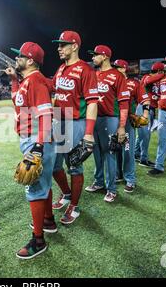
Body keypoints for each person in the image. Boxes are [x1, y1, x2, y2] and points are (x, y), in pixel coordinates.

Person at [5, 42, 56, 259]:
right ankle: (48, 221)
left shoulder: (35, 81)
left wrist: (38, 146)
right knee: (43, 183)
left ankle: (38, 240)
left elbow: (46, 115)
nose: (16, 59)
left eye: (20, 57)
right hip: (31, 137)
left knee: (34, 187)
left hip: (37, 138)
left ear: (31, 61)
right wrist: (14, 81)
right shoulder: (26, 81)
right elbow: (18, 101)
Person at [50, 31, 99, 224]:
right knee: (54, 166)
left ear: (75, 46)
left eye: (63, 45)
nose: (59, 48)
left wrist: (88, 133)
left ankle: (74, 206)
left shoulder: (85, 70)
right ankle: (67, 193)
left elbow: (93, 103)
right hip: (59, 121)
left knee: (74, 166)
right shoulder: (61, 69)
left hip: (76, 121)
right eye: (59, 45)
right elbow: (53, 91)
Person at [85, 45, 130, 203]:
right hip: (94, 119)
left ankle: (112, 189)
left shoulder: (117, 76)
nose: (93, 58)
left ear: (104, 56)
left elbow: (124, 104)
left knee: (109, 154)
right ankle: (98, 182)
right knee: (96, 153)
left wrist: (122, 126)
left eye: (95, 55)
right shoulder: (93, 74)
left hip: (110, 119)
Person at [113, 59, 150, 193]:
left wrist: (145, 114)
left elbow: (145, 99)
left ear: (123, 69)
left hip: (127, 121)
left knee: (128, 150)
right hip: (112, 120)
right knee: (115, 148)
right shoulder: (111, 82)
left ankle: (130, 179)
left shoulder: (133, 84)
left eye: (117, 67)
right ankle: (118, 174)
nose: (114, 69)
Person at [135, 62, 166, 166]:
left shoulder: (158, 81)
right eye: (161, 72)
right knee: (145, 135)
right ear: (159, 71)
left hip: (151, 109)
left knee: (142, 135)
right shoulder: (146, 77)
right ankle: (143, 160)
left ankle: (136, 154)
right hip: (143, 109)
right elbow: (149, 81)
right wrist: (164, 74)